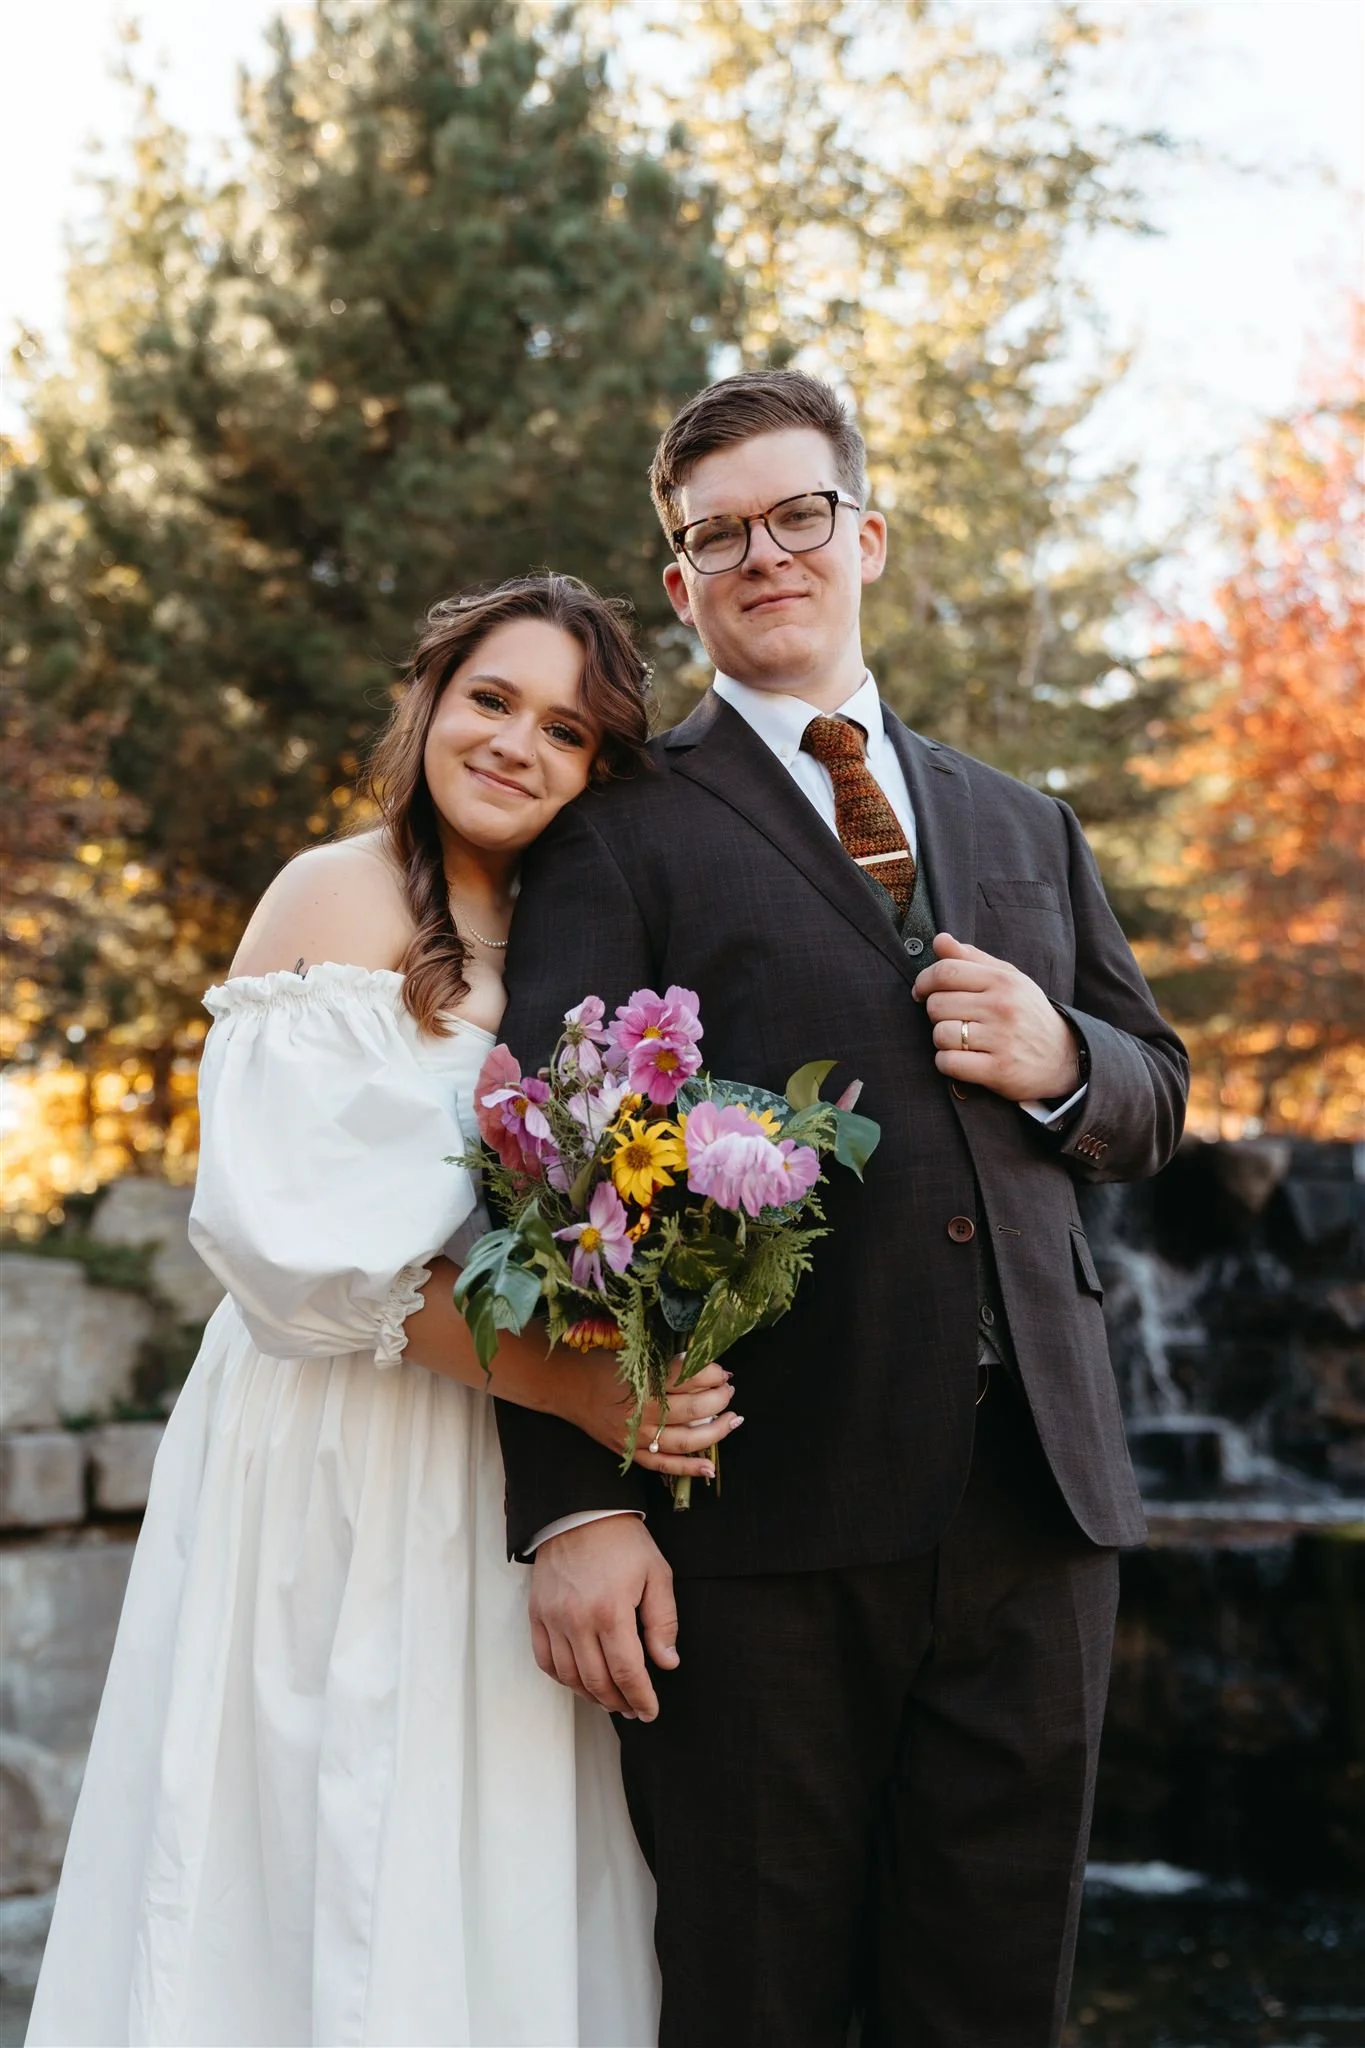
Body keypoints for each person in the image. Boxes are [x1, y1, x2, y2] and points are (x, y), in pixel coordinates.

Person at [495, 374, 1191, 2047]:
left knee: (987, 2008)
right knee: (756, 2005)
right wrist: (573, 1506)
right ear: (681, 586)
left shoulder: (1025, 821)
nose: (763, 553)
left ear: (863, 533)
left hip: (1036, 1511)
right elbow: (541, 1163)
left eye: (796, 513)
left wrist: (1062, 1058)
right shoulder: (618, 830)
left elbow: (1157, 1085)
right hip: (758, 1523)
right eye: (714, 533)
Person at [27, 575, 740, 2048]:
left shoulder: (582, 925)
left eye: (567, 730)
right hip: (338, 1437)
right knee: (319, 1822)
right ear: (427, 699)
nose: (516, 746)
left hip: (496, 1458)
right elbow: (287, 1233)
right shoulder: (332, 890)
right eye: (492, 700)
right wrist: (578, 1392)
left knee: (488, 1837)